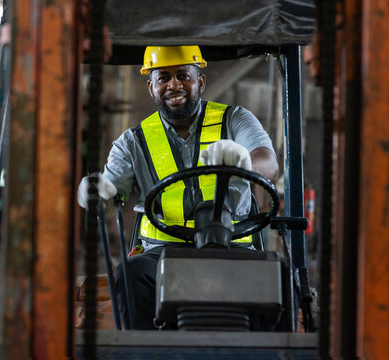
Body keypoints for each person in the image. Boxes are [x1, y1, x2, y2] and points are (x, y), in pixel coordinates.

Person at [78, 45, 279, 329]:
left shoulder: (235, 119)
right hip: (163, 252)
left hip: (232, 244)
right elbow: (112, 192)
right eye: (164, 78)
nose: (174, 85)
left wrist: (244, 161)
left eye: (184, 75)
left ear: (201, 81)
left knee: (284, 278)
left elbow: (268, 162)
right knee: (129, 274)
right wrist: (98, 193)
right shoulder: (132, 142)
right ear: (151, 86)